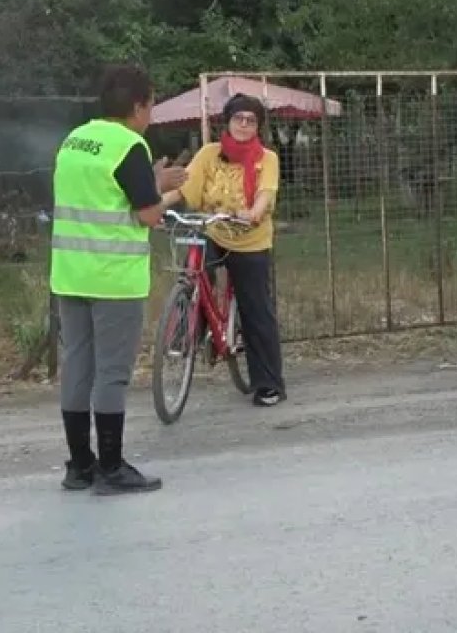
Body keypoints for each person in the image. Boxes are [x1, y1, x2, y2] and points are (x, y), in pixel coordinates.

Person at [50, 64, 189, 494]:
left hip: (70, 275)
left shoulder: (76, 140)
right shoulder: (129, 146)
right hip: (113, 279)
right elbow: (147, 214)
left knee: (77, 368)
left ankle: (80, 466)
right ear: (137, 106)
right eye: (150, 104)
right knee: (112, 374)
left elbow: (105, 196)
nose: (151, 114)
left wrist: (147, 182)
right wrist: (168, 188)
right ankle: (112, 467)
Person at [177, 94, 286, 407]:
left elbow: (266, 193)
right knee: (193, 266)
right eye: (239, 118)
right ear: (228, 121)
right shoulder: (210, 154)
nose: (244, 124)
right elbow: (185, 188)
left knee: (257, 310)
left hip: (251, 238)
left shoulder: (267, 158)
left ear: (258, 127)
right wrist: (156, 205)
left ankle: (268, 384)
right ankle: (188, 329)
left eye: (251, 120)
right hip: (215, 230)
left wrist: (253, 213)